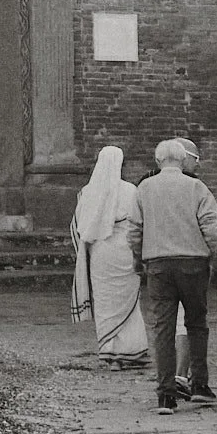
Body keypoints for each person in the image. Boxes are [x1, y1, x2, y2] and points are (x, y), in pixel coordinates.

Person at [123, 136, 217, 411]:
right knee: (197, 324)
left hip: (158, 264)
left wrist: (138, 257)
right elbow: (211, 228)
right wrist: (211, 253)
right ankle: (200, 385)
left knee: (163, 329)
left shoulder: (144, 188)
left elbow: (133, 230)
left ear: (157, 161)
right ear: (182, 160)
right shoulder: (197, 187)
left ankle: (166, 393)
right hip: (193, 262)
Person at [70, 145, 148, 363]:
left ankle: (108, 347)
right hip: (124, 249)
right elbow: (139, 222)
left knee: (105, 300)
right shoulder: (131, 190)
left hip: (100, 251)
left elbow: (78, 225)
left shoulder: (88, 192)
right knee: (126, 299)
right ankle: (131, 348)